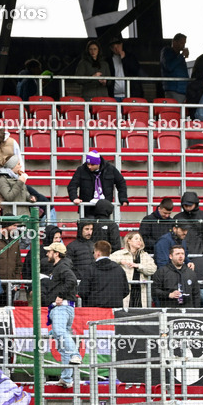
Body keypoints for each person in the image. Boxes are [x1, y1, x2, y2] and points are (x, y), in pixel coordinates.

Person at [41, 242, 80, 388]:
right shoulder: (61, 267)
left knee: (59, 332)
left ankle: (76, 355)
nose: (47, 254)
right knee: (63, 345)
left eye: (49, 251)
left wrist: (60, 295)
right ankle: (67, 378)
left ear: (56, 253)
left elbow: (72, 281)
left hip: (62, 308)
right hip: (65, 308)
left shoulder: (62, 267)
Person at [66, 150, 128, 218]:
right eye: (88, 164)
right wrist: (74, 198)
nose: (89, 167)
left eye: (92, 165)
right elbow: (72, 185)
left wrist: (123, 198)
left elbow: (121, 183)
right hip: (87, 208)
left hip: (105, 208)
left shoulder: (110, 169)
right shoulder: (81, 170)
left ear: (98, 163)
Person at [111, 231, 157, 308]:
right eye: (136, 239)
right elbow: (109, 260)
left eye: (140, 239)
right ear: (129, 241)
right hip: (125, 289)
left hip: (140, 290)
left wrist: (139, 266)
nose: (139, 241)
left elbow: (153, 269)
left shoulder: (145, 255)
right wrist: (120, 261)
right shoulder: (119, 254)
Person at [79, 241, 130, 308]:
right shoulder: (119, 269)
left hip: (94, 311)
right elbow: (125, 290)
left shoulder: (90, 269)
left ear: (98, 253)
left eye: (94, 252)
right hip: (114, 310)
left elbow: (82, 291)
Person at [178, 191, 203, 257]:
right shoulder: (178, 217)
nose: (188, 208)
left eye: (190, 205)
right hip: (182, 254)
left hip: (202, 254)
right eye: (186, 205)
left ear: (195, 204)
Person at [159, 33, 190, 103]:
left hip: (183, 90)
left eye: (184, 43)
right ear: (174, 42)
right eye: (181, 43)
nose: (183, 45)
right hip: (173, 89)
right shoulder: (166, 52)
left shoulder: (179, 56)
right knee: (175, 112)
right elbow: (169, 67)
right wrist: (182, 55)